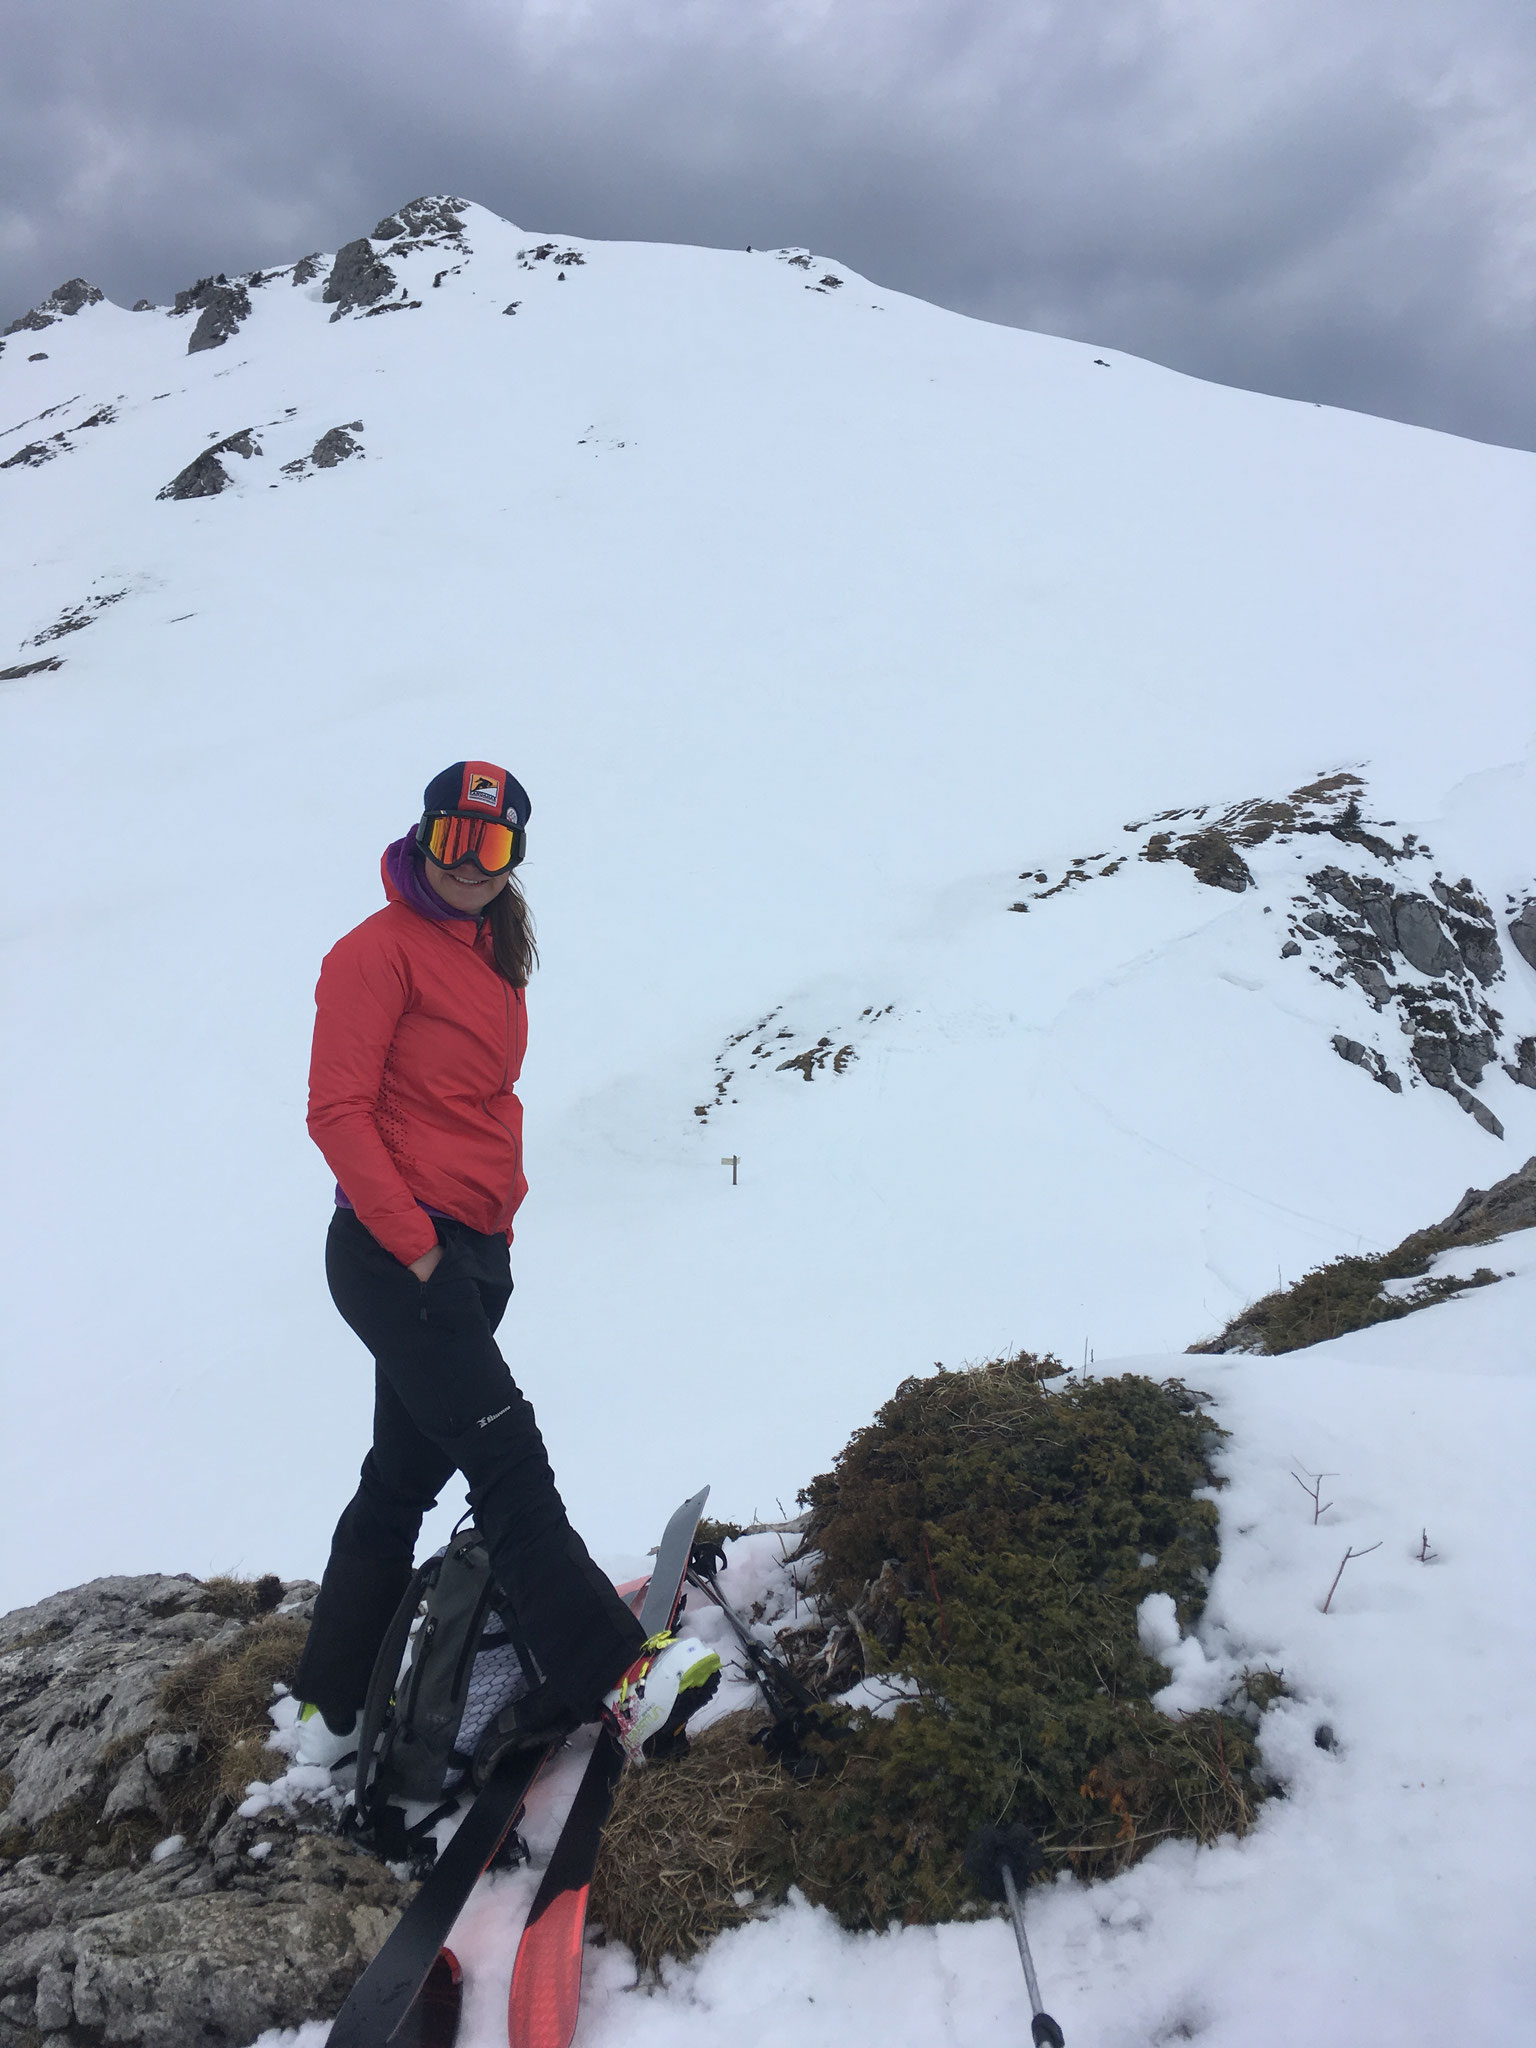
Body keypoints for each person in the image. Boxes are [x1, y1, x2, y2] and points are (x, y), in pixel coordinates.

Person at [292, 759, 719, 1773]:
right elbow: (337, 1113)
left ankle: (327, 1709)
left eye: (493, 847)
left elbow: (471, 1108)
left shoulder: (490, 947)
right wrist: (424, 1248)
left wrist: (483, 1248)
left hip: (466, 1252)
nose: (470, 863)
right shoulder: (374, 952)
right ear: (425, 834)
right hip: (398, 1252)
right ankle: (622, 1680)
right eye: (455, 839)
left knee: (400, 1477)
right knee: (507, 1456)